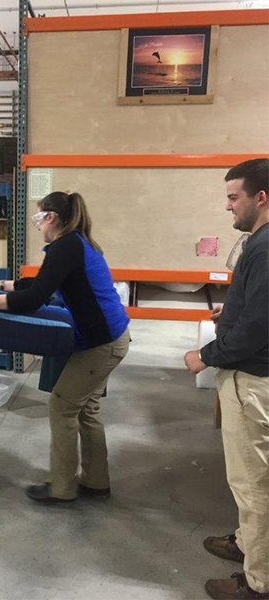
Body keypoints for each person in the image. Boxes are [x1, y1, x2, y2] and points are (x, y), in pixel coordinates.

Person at [0, 191, 130, 504]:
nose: (37, 225)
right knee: (87, 409)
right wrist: (3, 286)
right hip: (113, 338)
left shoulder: (65, 246)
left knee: (61, 406)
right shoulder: (76, 243)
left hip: (101, 345)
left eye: (38, 218)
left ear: (51, 217)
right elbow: (44, 285)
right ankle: (96, 482)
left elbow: (34, 299)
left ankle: (62, 488)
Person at [184, 158, 268, 600]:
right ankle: (247, 544)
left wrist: (207, 356)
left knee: (253, 483)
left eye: (234, 197)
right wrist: (228, 311)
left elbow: (258, 326)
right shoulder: (261, 242)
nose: (228, 206)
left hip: (253, 382)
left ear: (261, 197)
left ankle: (259, 585)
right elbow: (256, 307)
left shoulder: (266, 245)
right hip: (255, 375)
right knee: (253, 479)